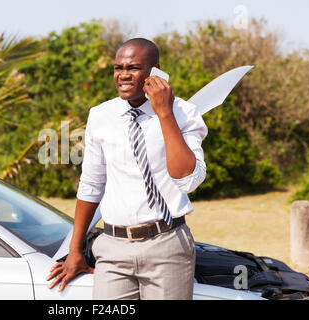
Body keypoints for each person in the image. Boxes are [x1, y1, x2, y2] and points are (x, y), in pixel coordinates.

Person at [46, 38, 207, 300]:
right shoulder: (101, 115)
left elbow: (188, 180)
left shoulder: (184, 113)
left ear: (155, 70)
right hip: (112, 248)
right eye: (117, 67)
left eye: (132, 68)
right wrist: (75, 250)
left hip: (166, 246)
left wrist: (164, 113)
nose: (123, 75)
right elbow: (91, 184)